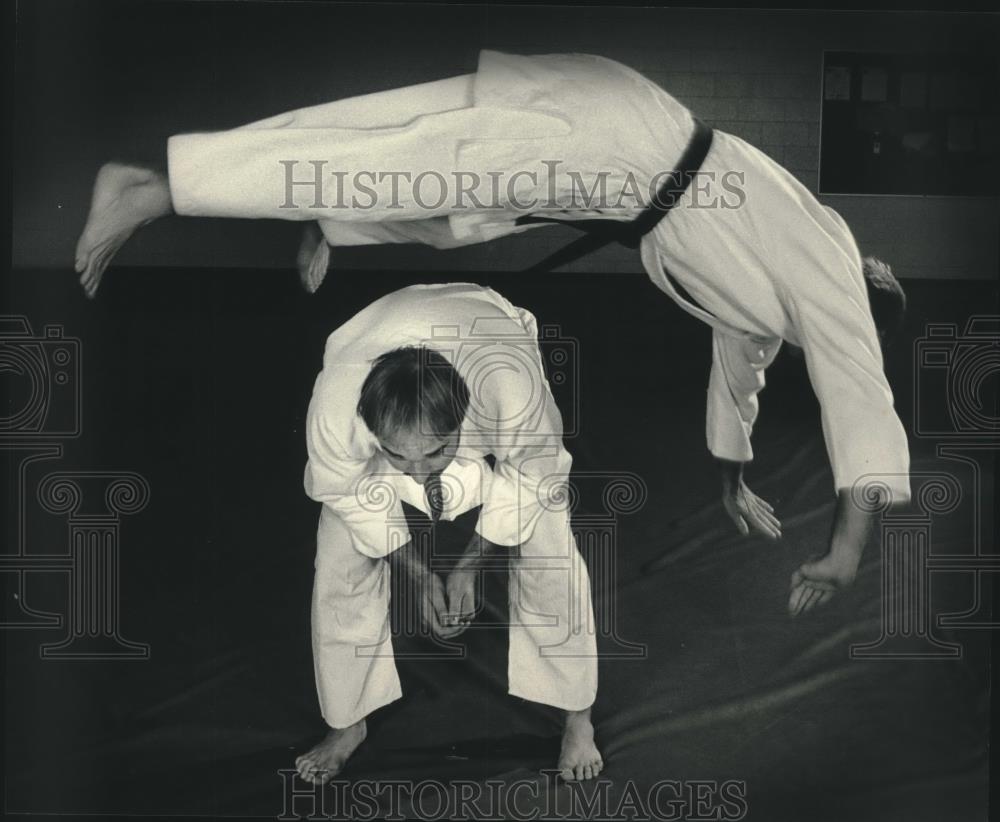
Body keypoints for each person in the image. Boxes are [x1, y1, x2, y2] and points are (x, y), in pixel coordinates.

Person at [74, 50, 911, 615]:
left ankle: (330, 215)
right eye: (852, 319)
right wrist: (846, 549)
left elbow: (741, 372)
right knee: (404, 152)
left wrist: (730, 478)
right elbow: (858, 390)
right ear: (868, 289)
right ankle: (156, 187)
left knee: (450, 210)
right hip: (619, 148)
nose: (830, 334)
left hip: (611, 170)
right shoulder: (831, 270)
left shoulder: (789, 285)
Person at [293, 282, 600, 784]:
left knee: (549, 540)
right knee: (338, 550)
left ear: (460, 422)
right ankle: (347, 723)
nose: (415, 476)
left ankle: (577, 718)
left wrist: (469, 567)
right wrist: (417, 572)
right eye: (397, 455)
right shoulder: (336, 399)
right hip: (372, 342)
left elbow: (535, 474)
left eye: (435, 452)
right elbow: (342, 488)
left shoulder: (510, 385)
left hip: (486, 332)